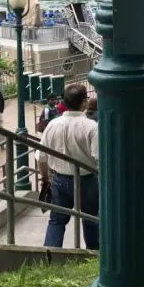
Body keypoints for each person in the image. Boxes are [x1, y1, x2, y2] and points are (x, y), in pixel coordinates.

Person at [38, 83, 99, 250]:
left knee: (56, 220)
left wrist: (45, 179)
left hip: (58, 179)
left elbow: (41, 157)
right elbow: (99, 158)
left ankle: (49, 255)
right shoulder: (91, 127)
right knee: (91, 219)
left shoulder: (52, 125)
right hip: (86, 179)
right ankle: (94, 254)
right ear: (84, 102)